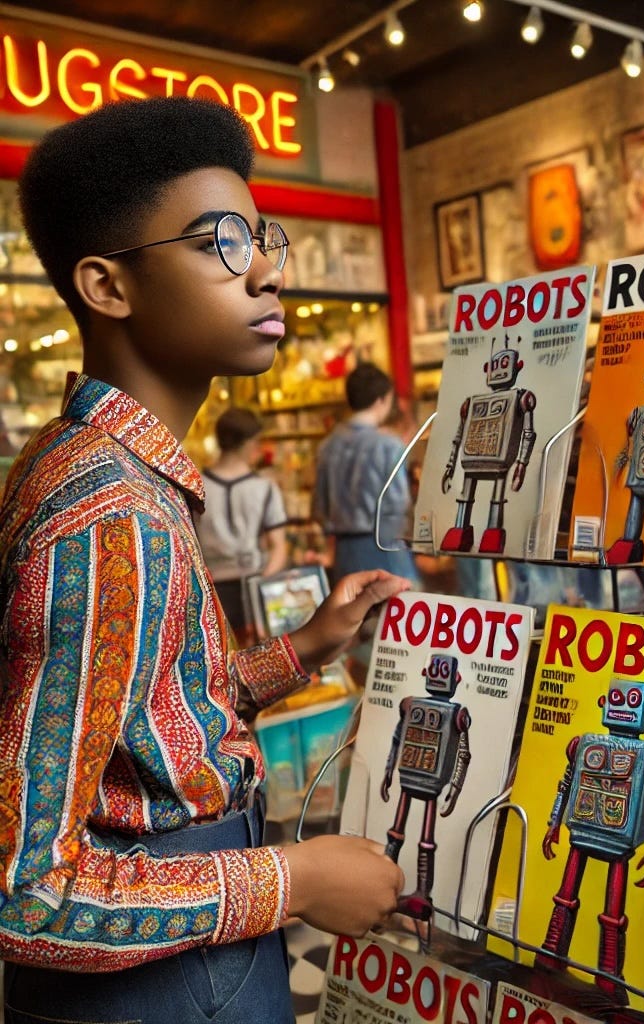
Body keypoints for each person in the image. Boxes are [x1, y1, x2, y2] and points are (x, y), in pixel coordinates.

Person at [0, 96, 409, 1023]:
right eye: (218, 242)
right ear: (108, 287)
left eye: (261, 236)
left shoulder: (99, 466)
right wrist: (294, 880)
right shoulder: (109, 514)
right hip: (166, 984)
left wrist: (303, 648)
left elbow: (147, 726)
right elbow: (25, 892)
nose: (265, 270)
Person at [313, 361, 420, 586]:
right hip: (386, 548)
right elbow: (398, 505)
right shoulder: (388, 445)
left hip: (345, 552)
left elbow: (319, 509)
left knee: (352, 615)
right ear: (381, 399)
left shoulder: (327, 446)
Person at [196, 405, 289, 641]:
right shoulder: (265, 488)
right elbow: (279, 546)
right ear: (250, 444)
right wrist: (263, 583)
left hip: (209, 590)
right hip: (255, 582)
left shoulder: (196, 488)